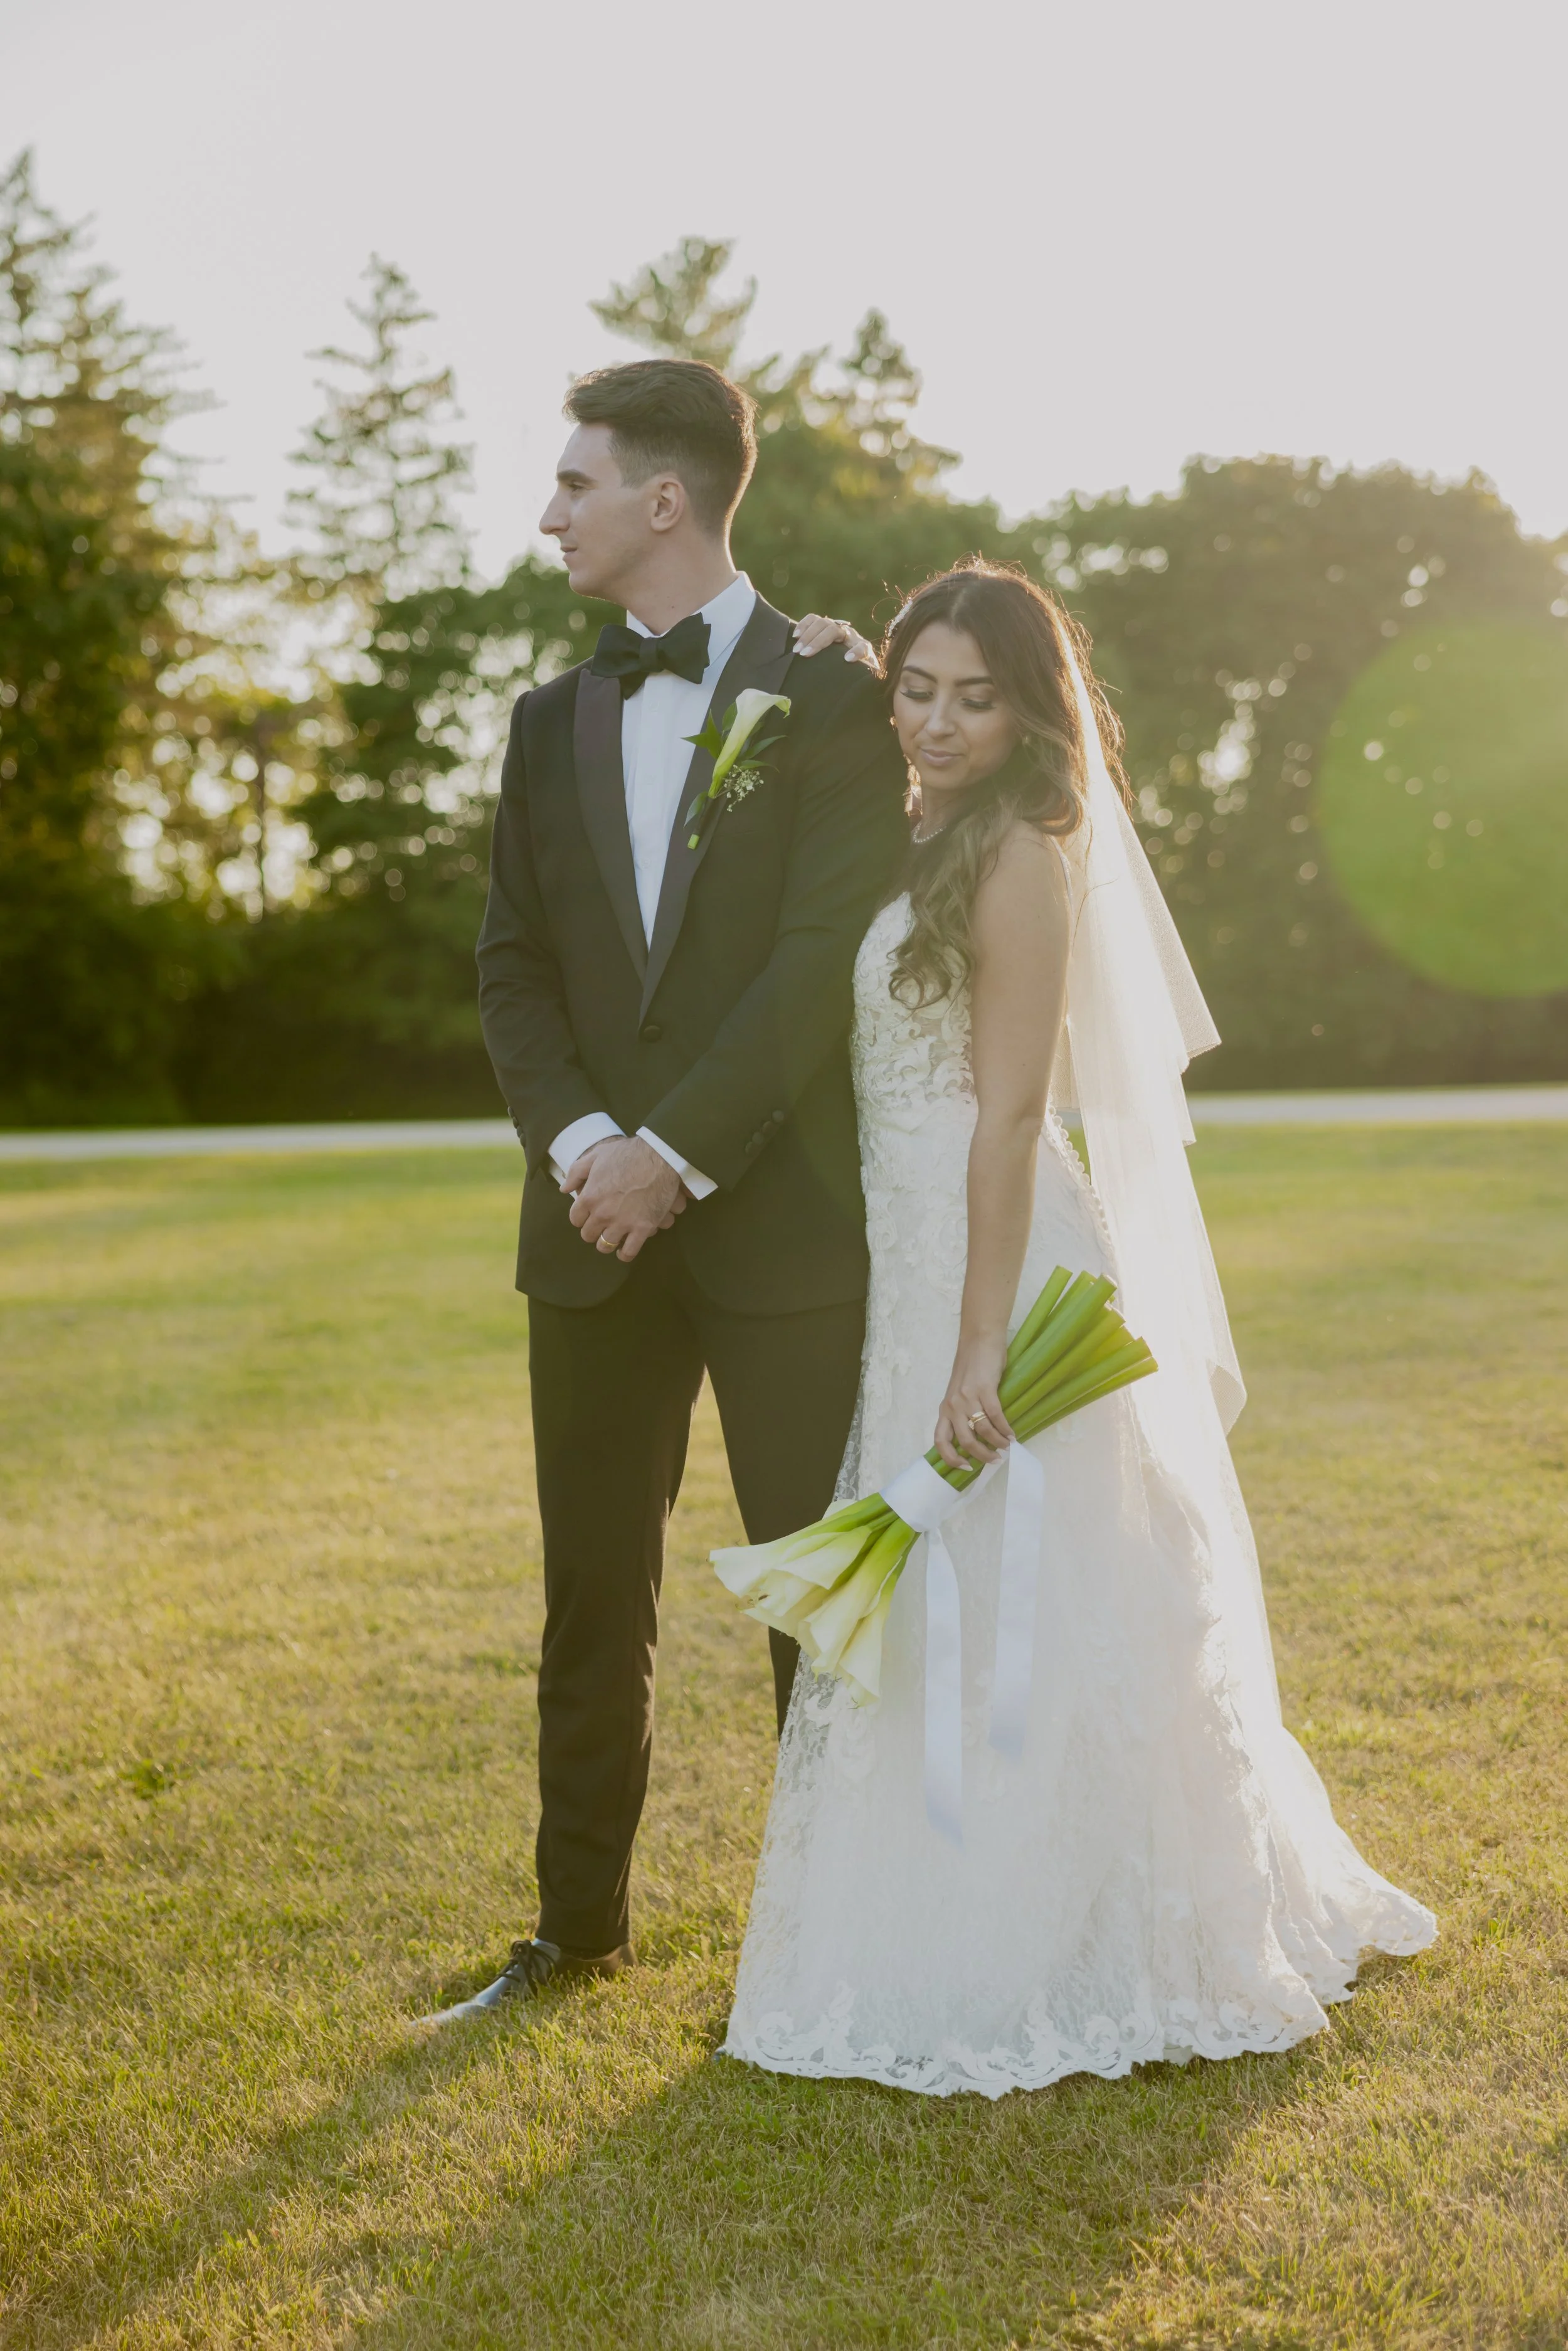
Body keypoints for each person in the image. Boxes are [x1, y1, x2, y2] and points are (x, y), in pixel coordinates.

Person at [723, 562, 1436, 2095]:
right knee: (948, 1592)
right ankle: (934, 1912)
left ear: (1030, 711)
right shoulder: (910, 823)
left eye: (974, 699)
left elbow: (1007, 1114)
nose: (936, 723)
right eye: (916, 689)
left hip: (993, 1252)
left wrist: (978, 1346)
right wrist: (830, 653)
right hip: (909, 1247)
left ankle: (1076, 1930)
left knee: (1033, 1580)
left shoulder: (1021, 852)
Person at [426, 358, 908, 2022]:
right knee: (589, 1597)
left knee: (819, 1592)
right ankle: (574, 1933)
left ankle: (846, 1947)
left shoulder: (832, 696)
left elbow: (818, 955)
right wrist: (586, 1152)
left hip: (780, 1222)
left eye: (572, 484)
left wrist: (674, 1154)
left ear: (664, 497)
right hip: (588, 1231)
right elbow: (511, 968)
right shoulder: (542, 720)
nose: (546, 514)